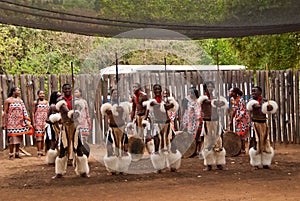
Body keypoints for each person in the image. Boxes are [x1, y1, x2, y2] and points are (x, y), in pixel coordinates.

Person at [53, 83, 89, 178]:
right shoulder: (60, 101)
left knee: (79, 148)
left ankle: (83, 171)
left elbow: (78, 111)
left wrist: (75, 111)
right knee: (63, 149)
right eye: (65, 89)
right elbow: (64, 109)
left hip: (75, 127)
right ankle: (59, 172)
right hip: (65, 127)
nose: (67, 90)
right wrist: (70, 113)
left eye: (69, 88)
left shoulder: (76, 101)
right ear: (63, 90)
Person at [145, 84, 181, 173]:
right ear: (153, 91)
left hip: (167, 124)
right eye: (155, 89)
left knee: (173, 144)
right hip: (158, 125)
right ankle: (159, 167)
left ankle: (173, 165)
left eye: (158, 89)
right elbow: (155, 108)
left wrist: (170, 103)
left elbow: (172, 108)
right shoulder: (152, 102)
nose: (157, 90)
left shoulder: (165, 99)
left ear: (161, 90)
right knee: (157, 145)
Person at [198, 81, 228, 171]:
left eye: (211, 87)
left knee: (218, 142)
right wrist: (216, 102)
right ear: (205, 89)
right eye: (208, 87)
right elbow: (208, 102)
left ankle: (219, 163)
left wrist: (221, 103)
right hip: (207, 123)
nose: (210, 88)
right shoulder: (203, 99)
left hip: (216, 122)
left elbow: (223, 105)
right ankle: (209, 164)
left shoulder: (216, 99)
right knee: (208, 142)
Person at [246, 86, 278, 170]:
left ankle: (266, 163)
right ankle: (255, 164)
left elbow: (270, 110)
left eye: (255, 91)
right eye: (252, 91)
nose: (253, 93)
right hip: (255, 124)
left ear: (260, 92)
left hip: (264, 123)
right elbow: (255, 107)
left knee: (265, 141)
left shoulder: (265, 101)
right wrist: (263, 106)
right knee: (257, 142)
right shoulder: (252, 102)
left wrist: (270, 108)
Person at [101, 99, 131, 175]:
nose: (115, 95)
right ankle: (112, 169)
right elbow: (106, 113)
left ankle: (123, 168)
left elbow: (122, 110)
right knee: (109, 147)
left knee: (123, 148)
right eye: (113, 93)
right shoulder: (108, 108)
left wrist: (116, 108)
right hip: (112, 130)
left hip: (121, 129)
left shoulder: (122, 108)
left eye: (116, 93)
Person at [2, 86, 34, 159]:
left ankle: (17, 153)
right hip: (11, 122)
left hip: (20, 122)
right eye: (18, 90)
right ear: (13, 92)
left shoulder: (20, 100)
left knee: (19, 138)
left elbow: (24, 111)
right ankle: (11, 154)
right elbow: (5, 112)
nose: (19, 92)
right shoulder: (8, 100)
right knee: (12, 138)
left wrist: (26, 121)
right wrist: (4, 123)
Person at [228, 87, 251, 156]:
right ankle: (240, 150)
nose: (229, 93)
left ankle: (243, 150)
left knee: (242, 135)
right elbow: (234, 110)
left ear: (234, 93)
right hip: (238, 120)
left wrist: (239, 118)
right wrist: (232, 119)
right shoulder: (234, 100)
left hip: (243, 120)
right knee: (238, 134)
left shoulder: (241, 100)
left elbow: (243, 110)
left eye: (231, 91)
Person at [181, 87, 202, 157]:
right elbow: (187, 112)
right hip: (190, 121)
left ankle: (198, 150)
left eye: (191, 93)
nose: (190, 95)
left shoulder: (198, 102)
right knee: (191, 136)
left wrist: (198, 121)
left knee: (198, 136)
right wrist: (185, 121)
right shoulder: (190, 102)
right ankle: (193, 151)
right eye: (190, 93)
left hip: (196, 121)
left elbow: (198, 112)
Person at [44, 91, 61, 165]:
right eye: (58, 96)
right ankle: (51, 159)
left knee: (58, 142)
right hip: (52, 126)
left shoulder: (59, 105)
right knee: (53, 141)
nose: (60, 97)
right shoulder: (53, 106)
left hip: (58, 126)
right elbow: (48, 118)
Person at [32, 90, 49, 157]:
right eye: (40, 94)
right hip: (38, 121)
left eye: (43, 94)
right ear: (38, 95)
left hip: (45, 121)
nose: (42, 95)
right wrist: (34, 122)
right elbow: (33, 112)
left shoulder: (46, 102)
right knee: (39, 137)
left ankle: (42, 150)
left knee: (44, 137)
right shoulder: (35, 103)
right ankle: (38, 152)